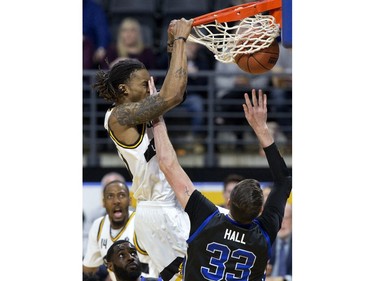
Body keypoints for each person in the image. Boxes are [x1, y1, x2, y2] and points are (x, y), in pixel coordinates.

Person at [153, 89, 292, 280]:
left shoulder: (207, 218)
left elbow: (167, 164)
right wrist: (262, 128)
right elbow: (284, 180)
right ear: (260, 209)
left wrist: (156, 115)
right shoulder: (265, 233)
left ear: (227, 201)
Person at [93, 18, 193, 281]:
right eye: (143, 82)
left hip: (169, 205)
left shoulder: (137, 109)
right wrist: (182, 40)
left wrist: (173, 45)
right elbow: (174, 94)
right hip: (159, 212)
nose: (150, 86)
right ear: (124, 90)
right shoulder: (119, 116)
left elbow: (173, 89)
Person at [83, 180, 156, 281]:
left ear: (130, 200)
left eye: (121, 195)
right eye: (110, 196)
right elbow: (89, 268)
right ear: (103, 203)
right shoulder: (98, 225)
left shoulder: (142, 222)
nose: (116, 201)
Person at [83, 0, 111, 69]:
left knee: (87, 43)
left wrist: (101, 47)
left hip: (87, 48)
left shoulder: (93, 8)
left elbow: (102, 29)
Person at [268, 203, 292, 281]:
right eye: (279, 219)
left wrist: (284, 279)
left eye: (286, 218)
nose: (282, 222)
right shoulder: (267, 241)